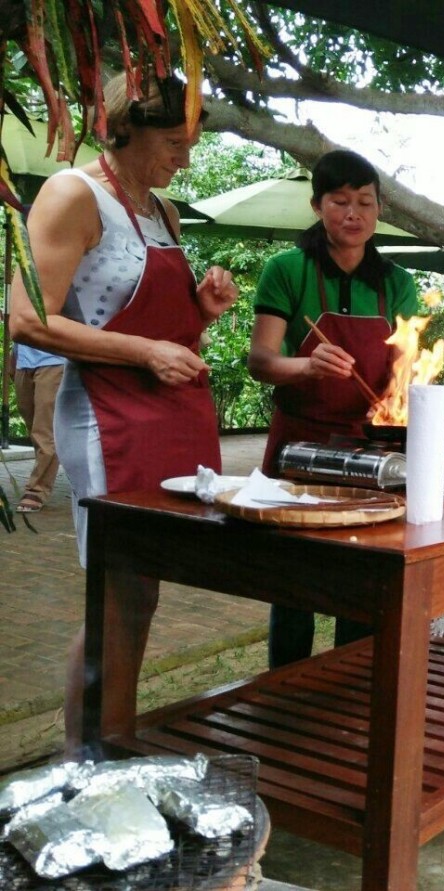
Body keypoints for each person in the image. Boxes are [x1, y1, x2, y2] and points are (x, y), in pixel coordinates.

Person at [9, 72, 238, 752]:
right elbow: (26, 319)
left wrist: (202, 309)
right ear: (125, 127)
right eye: (174, 141)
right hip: (107, 420)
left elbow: (159, 317)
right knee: (113, 593)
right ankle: (86, 753)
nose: (185, 158)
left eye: (190, 143)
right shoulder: (71, 195)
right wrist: (143, 351)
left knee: (144, 591)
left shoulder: (160, 210)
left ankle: (119, 735)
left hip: (172, 418)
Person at [248, 149, 419, 668]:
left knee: (364, 576)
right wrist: (306, 367)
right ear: (317, 205)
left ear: (379, 209)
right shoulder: (287, 270)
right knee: (294, 577)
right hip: (298, 443)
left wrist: (398, 409)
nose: (353, 213)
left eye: (365, 202)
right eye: (340, 201)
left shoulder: (397, 284)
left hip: (368, 450)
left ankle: (349, 688)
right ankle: (284, 689)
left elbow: (404, 374)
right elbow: (260, 360)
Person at [11, 343, 65, 512]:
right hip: (24, 361)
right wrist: (14, 358)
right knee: (32, 422)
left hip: (54, 359)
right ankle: (46, 467)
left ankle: (37, 489)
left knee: (44, 429)